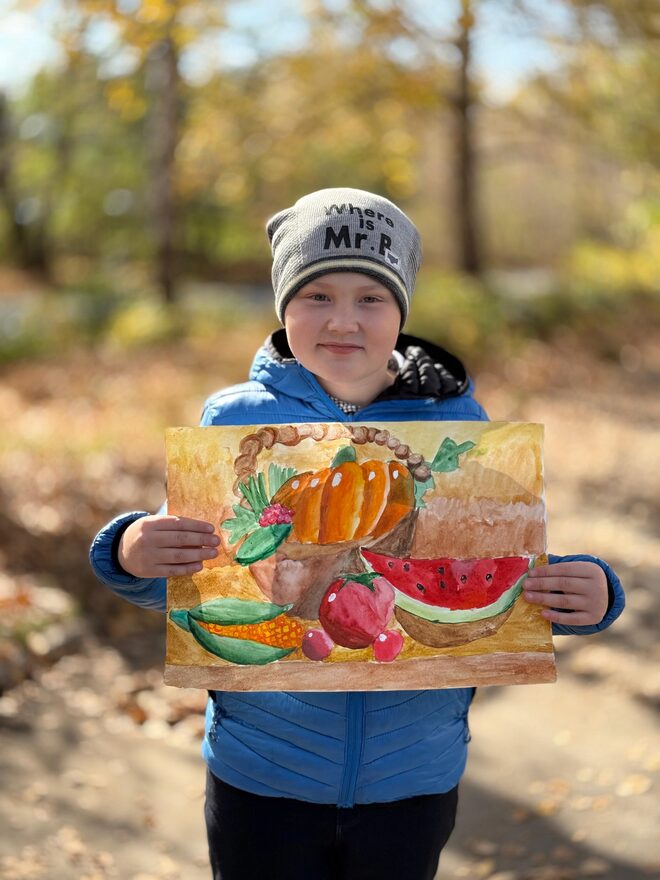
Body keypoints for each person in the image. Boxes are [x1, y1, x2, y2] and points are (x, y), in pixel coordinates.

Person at [90, 187, 625, 880]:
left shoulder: (460, 423)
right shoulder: (233, 423)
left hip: (415, 776)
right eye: (317, 295)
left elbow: (499, 564)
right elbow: (195, 582)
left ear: (402, 312)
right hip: (262, 772)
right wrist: (132, 553)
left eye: (371, 298)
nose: (343, 320)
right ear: (283, 306)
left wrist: (587, 594)